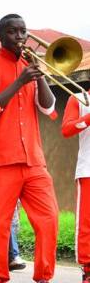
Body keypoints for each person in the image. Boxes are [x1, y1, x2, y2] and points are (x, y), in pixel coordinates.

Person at [0, 13, 59, 283]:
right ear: (0, 36)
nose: (20, 37)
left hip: (34, 159)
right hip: (1, 160)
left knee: (49, 218)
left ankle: (43, 277)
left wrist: (39, 76)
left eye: (23, 32)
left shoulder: (30, 66)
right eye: (13, 32)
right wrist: (20, 81)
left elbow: (49, 107)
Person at [61, 92, 90, 282]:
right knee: (87, 223)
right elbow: (66, 129)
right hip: (88, 169)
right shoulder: (79, 98)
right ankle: (88, 269)